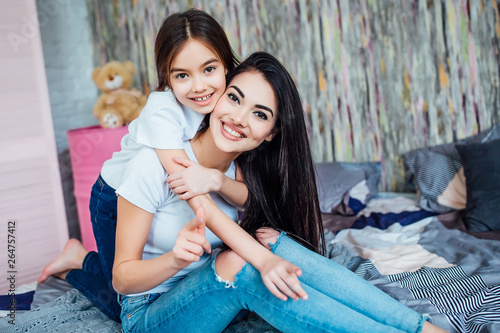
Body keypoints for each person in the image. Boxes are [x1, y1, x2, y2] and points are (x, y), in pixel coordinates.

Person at [113, 52, 448, 333]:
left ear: (271, 133)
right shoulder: (154, 162)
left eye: (259, 114)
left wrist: (217, 183)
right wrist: (174, 259)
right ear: (217, 96)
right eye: (234, 98)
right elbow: (122, 280)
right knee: (238, 263)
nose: (238, 118)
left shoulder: (240, 172)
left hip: (202, 285)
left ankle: (422, 328)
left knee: (268, 237)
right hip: (149, 312)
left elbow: (251, 202)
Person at [38, 8, 242, 321]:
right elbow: (187, 181)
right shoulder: (162, 109)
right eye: (182, 75)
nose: (199, 86)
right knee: (122, 299)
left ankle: (83, 257)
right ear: (167, 77)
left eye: (209, 69)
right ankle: (76, 265)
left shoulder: (234, 101)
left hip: (152, 195)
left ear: (226, 64)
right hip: (114, 196)